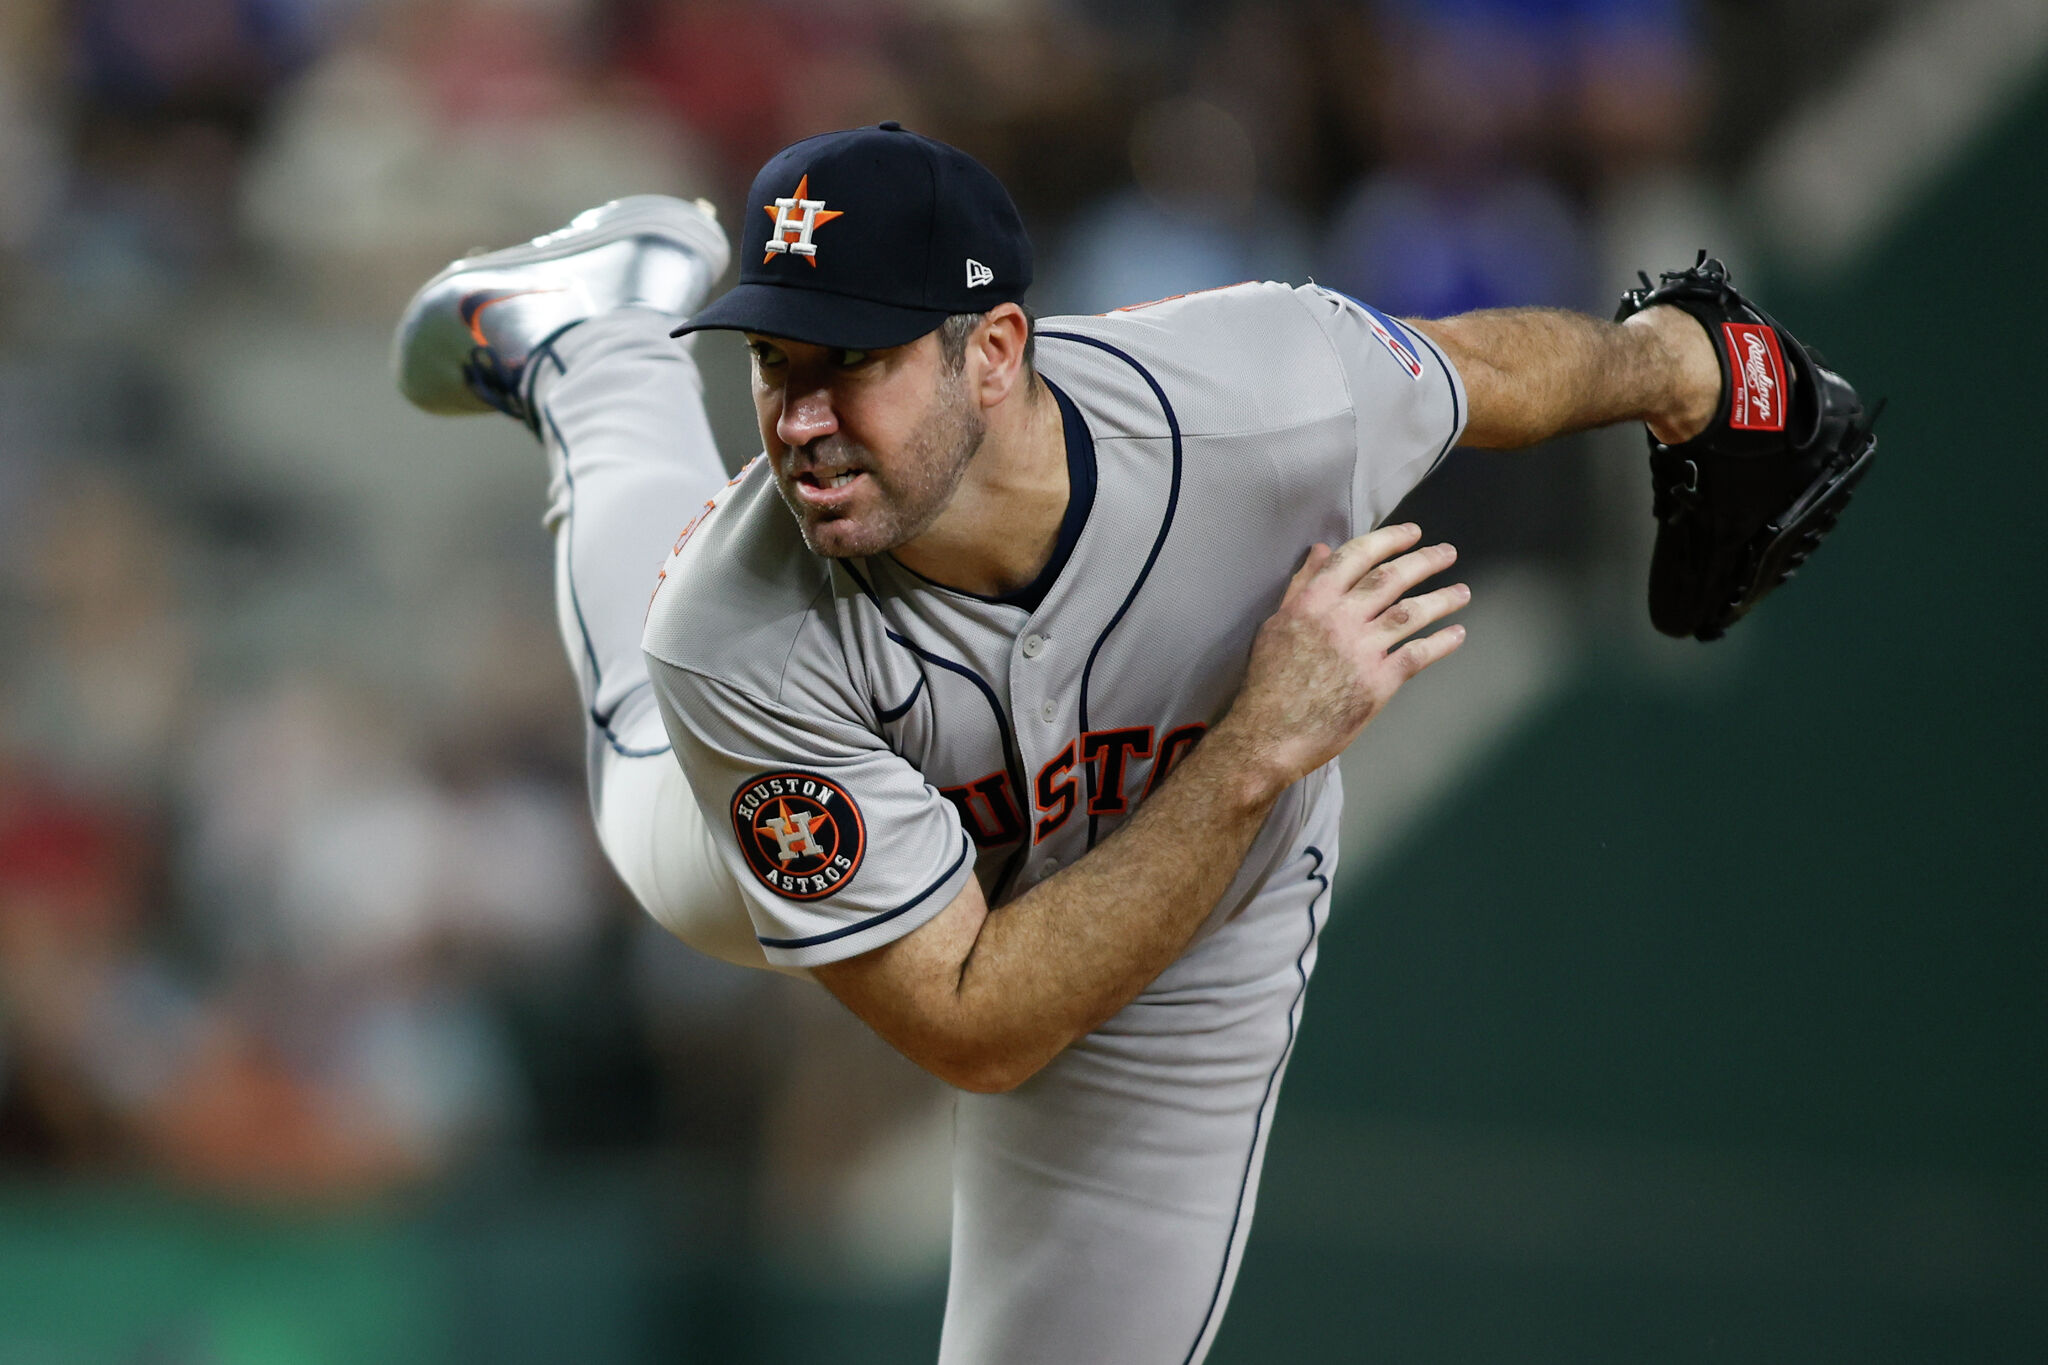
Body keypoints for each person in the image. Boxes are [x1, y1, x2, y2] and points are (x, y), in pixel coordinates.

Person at [393, 124, 1720, 1363]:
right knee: (647, 773)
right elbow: (972, 1022)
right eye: (773, 362)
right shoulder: (740, 631)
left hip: (1188, 894)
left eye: (850, 362)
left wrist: (1684, 364)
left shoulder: (1265, 389)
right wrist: (1259, 745)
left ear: (993, 349)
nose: (799, 420)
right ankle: (592, 343)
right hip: (997, 852)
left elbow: (1488, 372)